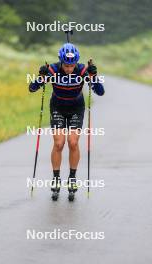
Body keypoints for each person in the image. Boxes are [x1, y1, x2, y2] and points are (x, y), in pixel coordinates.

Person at [29, 42, 105, 194]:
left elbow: (100, 92)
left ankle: (72, 178)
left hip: (76, 108)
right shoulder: (53, 69)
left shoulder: (83, 70)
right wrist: (41, 77)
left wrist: (93, 76)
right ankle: (56, 178)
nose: (69, 69)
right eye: (66, 66)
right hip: (57, 107)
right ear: (61, 62)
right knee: (59, 143)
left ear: (76, 62)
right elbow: (32, 88)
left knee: (72, 142)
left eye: (72, 65)